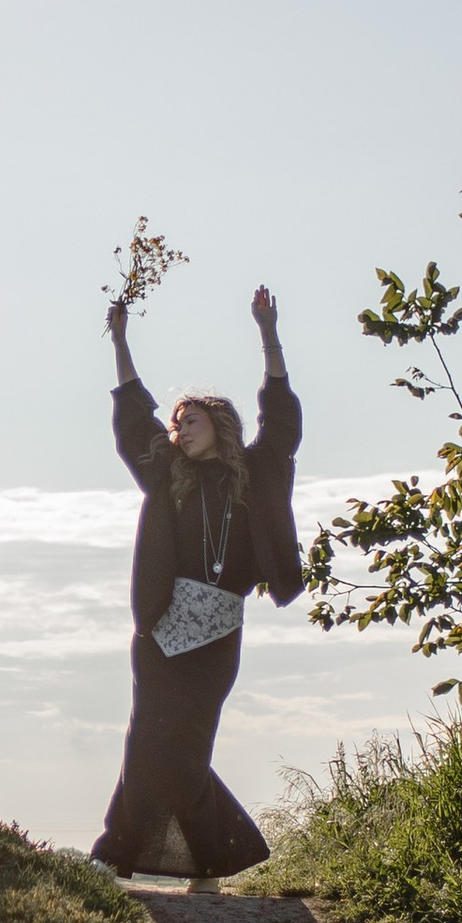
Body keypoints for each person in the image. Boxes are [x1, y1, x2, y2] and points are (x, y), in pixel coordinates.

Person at [92, 281, 304, 882]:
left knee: (185, 753)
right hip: (161, 628)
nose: (179, 428)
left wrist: (268, 335)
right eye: (177, 421)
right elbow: (135, 421)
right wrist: (121, 341)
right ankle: (115, 859)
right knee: (145, 744)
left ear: (219, 422)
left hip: (217, 636)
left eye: (191, 418)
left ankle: (214, 858)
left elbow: (282, 419)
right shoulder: (167, 476)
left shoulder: (257, 473)